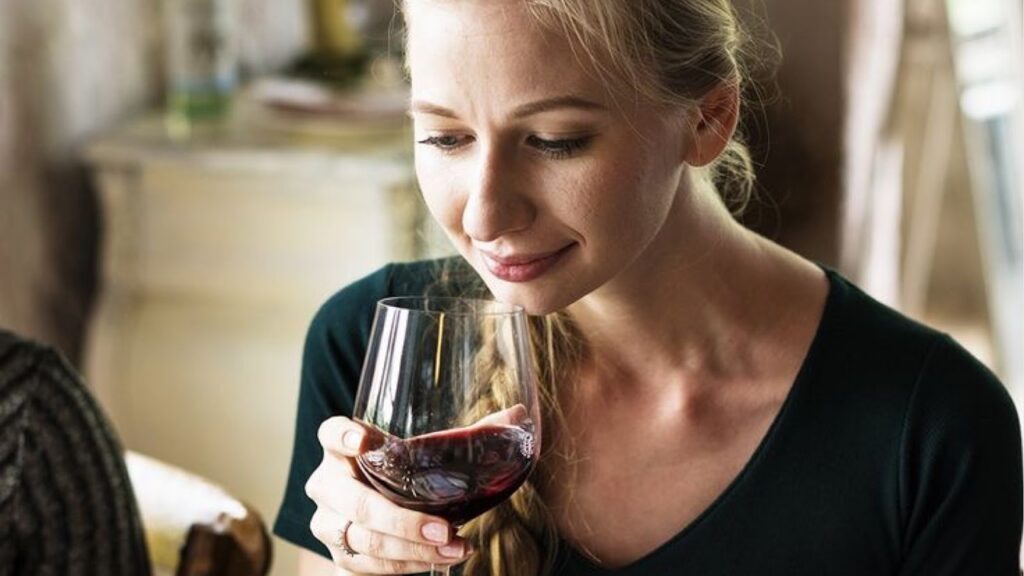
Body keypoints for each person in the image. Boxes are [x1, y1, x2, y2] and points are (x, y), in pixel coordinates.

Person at [273, 1, 1024, 574]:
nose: (484, 212)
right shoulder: (372, 351)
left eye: (555, 140)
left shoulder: (930, 427)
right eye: (445, 137)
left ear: (708, 119)